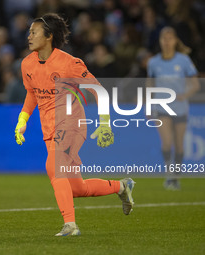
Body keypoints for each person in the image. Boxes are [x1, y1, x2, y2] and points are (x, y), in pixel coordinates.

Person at [14, 13, 135, 237]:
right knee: (76, 189)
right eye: (29, 32)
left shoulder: (69, 63)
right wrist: (22, 121)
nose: (28, 36)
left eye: (34, 32)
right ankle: (122, 186)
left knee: (53, 166)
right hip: (49, 130)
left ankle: (70, 225)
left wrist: (105, 123)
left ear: (48, 36)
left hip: (72, 125)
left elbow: (99, 90)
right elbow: (32, 94)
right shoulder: (27, 64)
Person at [147, 27, 200, 190]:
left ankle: (176, 175)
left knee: (179, 145)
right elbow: (150, 85)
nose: (167, 42)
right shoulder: (153, 62)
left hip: (180, 108)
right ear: (160, 41)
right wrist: (148, 106)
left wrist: (185, 94)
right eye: (164, 38)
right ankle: (169, 173)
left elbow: (195, 84)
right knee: (167, 142)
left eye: (170, 38)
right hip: (161, 107)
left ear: (176, 41)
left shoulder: (183, 60)